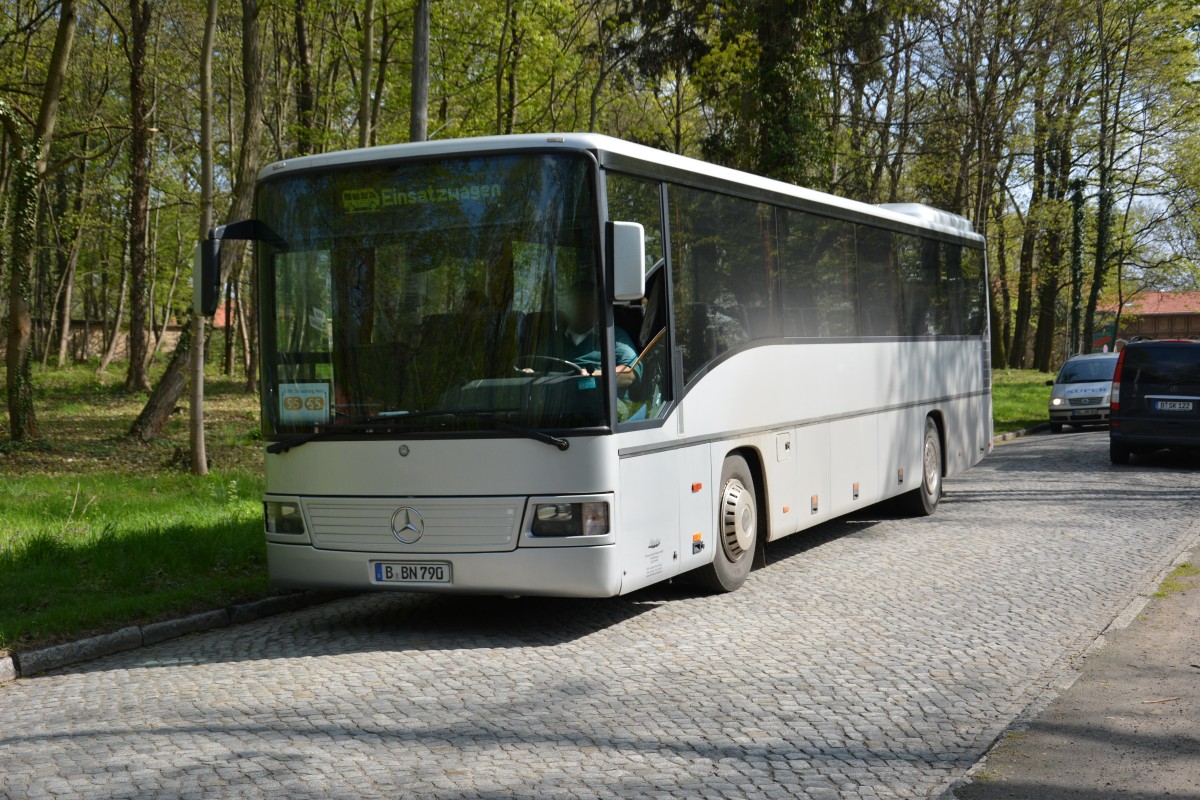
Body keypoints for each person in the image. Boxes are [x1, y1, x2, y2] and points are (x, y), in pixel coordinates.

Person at [542, 280, 641, 393]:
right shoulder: (553, 340)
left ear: (598, 308)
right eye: (578, 303)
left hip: (605, 402)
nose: (583, 308)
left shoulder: (614, 337)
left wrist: (590, 376)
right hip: (557, 401)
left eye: (588, 303)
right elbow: (534, 368)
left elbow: (629, 375)